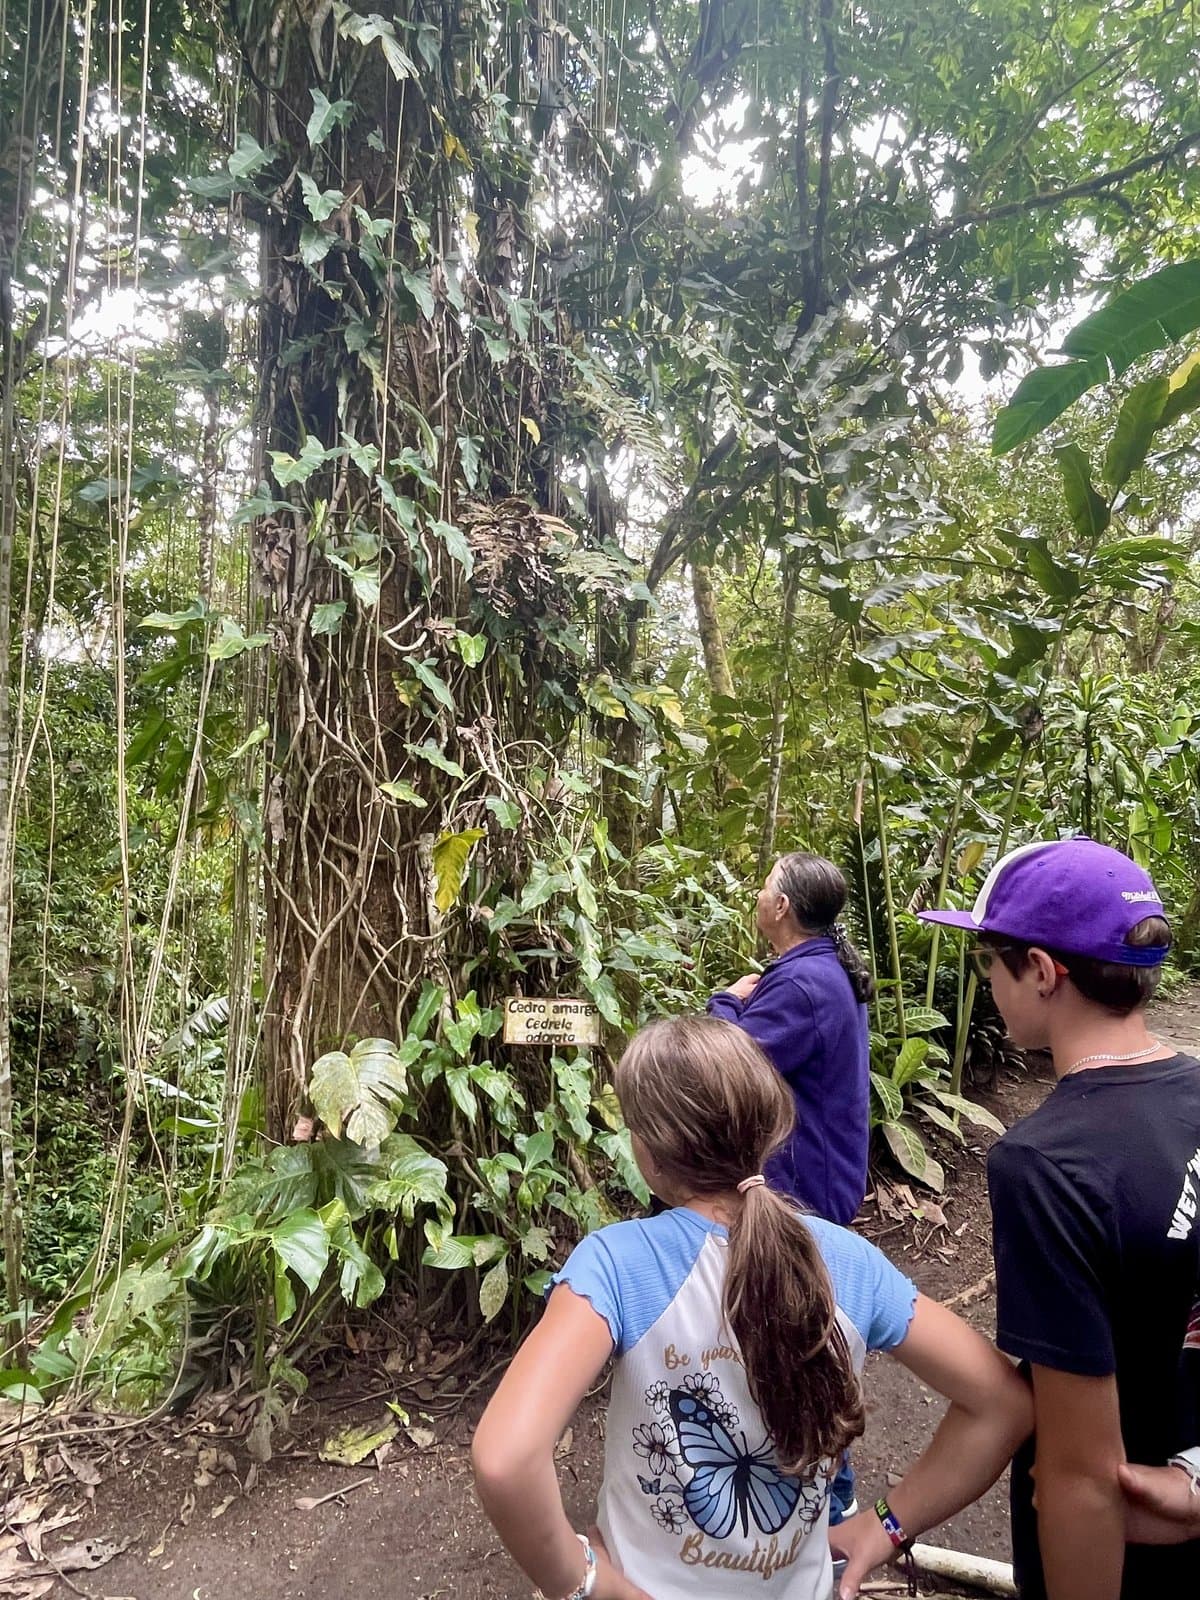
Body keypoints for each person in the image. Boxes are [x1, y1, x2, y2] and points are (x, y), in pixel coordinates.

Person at [472, 1016, 1031, 1600]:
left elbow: (506, 1460)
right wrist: (887, 1524)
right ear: (766, 1129)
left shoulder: (617, 1264)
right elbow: (1004, 1404)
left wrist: (590, 1582)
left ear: (651, 1153)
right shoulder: (846, 1262)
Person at [920, 837, 1200, 1600]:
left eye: (991, 961)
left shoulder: (1046, 1165)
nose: (988, 979)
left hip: (1121, 1553)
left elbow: (1079, 1481)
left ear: (1042, 972)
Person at [707, 852, 873, 1227]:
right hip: (820, 1174)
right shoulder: (822, 966)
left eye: (765, 886)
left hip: (806, 1190)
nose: (757, 895)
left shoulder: (802, 983)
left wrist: (726, 1000)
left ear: (781, 906)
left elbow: (726, 1065)